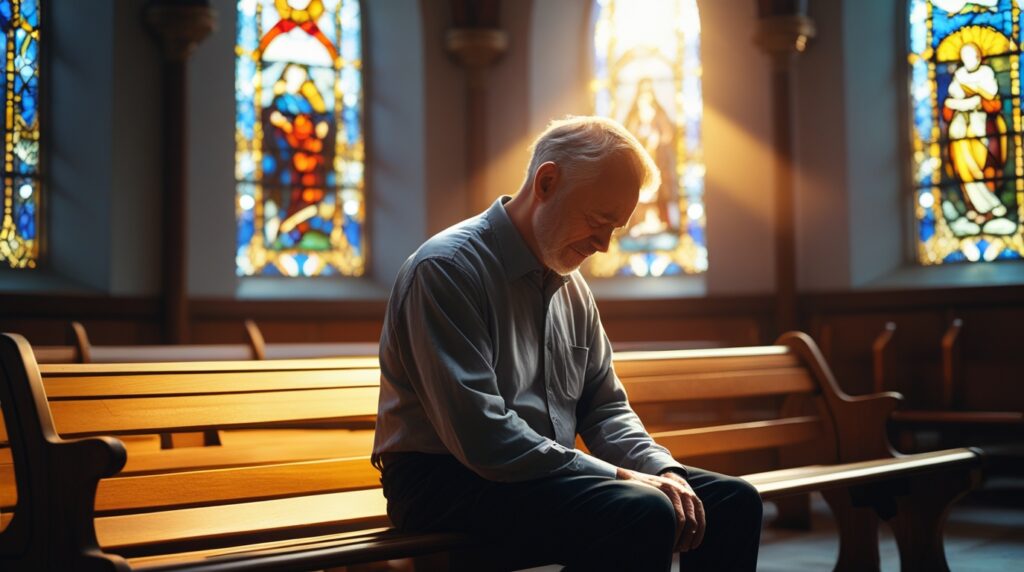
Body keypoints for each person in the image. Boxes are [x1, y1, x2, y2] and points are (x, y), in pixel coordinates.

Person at [372, 116, 762, 571]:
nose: (604, 245)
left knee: (731, 503)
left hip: (541, 473)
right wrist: (620, 475)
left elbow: (606, 409)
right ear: (547, 182)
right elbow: (483, 437)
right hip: (443, 481)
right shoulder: (447, 269)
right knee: (641, 511)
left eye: (615, 229)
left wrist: (662, 470)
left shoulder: (571, 287)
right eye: (598, 221)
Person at [943, 41, 1008, 226]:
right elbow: (951, 100)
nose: (967, 59)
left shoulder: (986, 73)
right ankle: (975, 206)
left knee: (983, 164)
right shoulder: (959, 75)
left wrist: (974, 98)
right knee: (964, 167)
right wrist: (961, 103)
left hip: (982, 124)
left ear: (979, 56)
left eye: (970, 55)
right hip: (960, 127)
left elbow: (991, 99)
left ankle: (990, 204)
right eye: (964, 56)